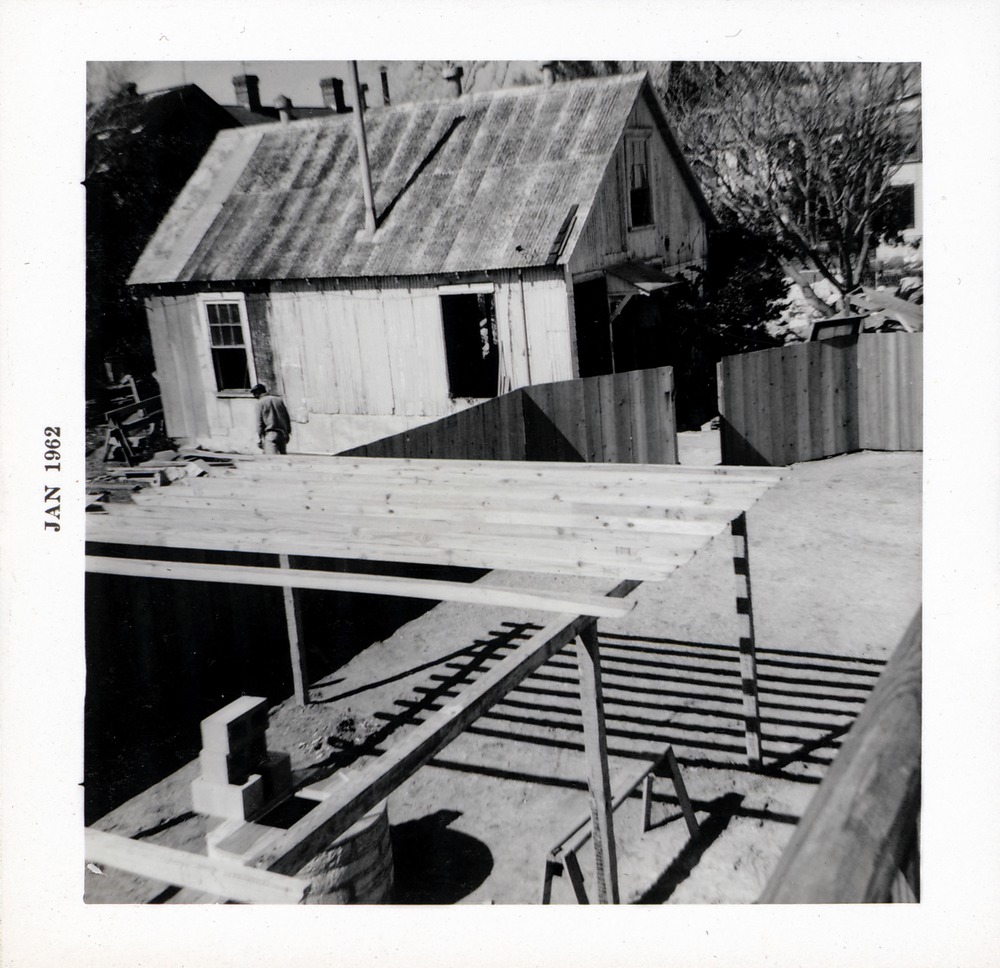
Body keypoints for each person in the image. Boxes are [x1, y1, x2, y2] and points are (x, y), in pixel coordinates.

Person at [251, 384, 291, 454]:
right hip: (282, 434)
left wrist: (259, 438)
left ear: (258, 392)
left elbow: (259, 422)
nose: (254, 396)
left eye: (254, 393)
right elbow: (286, 417)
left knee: (272, 460)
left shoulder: (260, 403)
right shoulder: (279, 400)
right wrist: (288, 433)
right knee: (284, 459)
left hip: (270, 434)